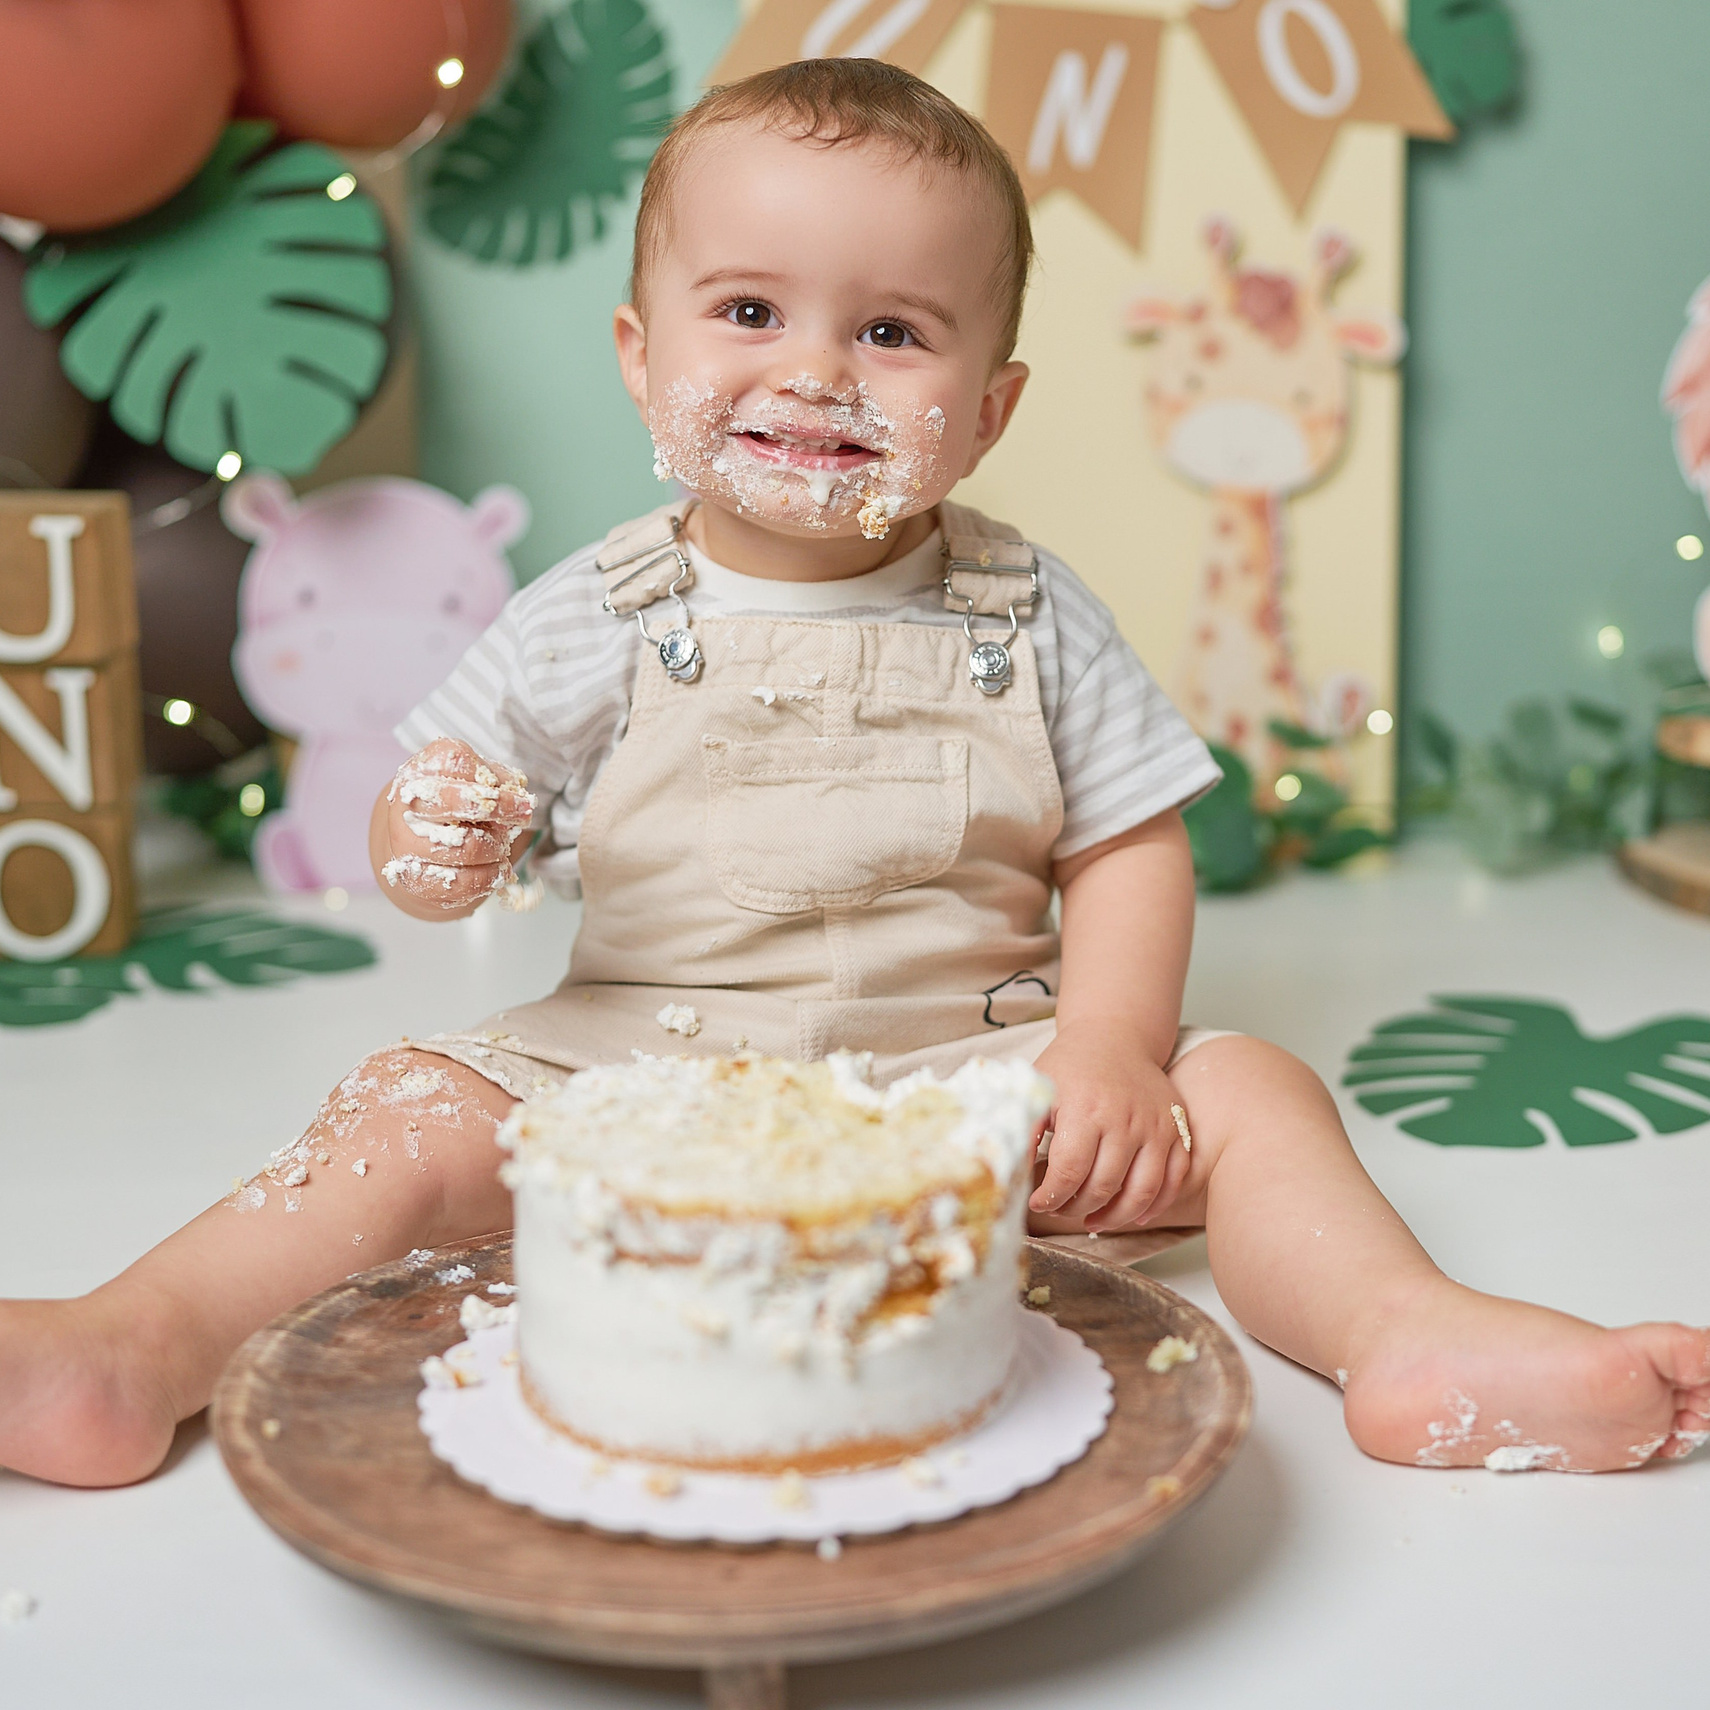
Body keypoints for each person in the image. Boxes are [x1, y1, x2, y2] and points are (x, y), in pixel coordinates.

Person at [3, 59, 1705, 1490]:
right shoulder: (593, 610)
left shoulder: (1025, 605)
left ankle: (1400, 1333)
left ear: (988, 405)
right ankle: (128, 1346)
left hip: (974, 1094)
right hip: (634, 1084)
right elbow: (440, 811)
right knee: (402, 1112)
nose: (815, 370)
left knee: (1250, 1089)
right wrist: (434, 842)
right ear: (637, 352)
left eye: (893, 330)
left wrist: (1108, 1050)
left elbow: (1127, 845)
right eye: (747, 310)